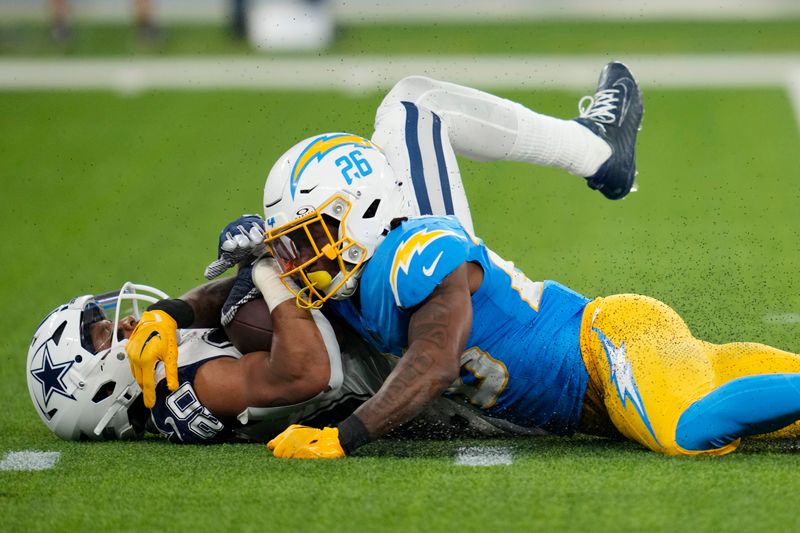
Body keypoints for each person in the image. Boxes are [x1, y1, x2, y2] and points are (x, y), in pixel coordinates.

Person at [250, 80, 800, 457]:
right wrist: (177, 312)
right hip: (614, 369)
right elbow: (250, 276)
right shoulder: (350, 281)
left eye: (311, 237)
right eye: (295, 244)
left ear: (364, 211)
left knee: (688, 428)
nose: (300, 259)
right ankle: (596, 148)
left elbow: (435, 362)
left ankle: (595, 147)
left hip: (609, 345)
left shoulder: (417, 254)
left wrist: (346, 436)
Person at [26, 230, 519, 444]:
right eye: (104, 333)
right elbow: (308, 372)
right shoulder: (193, 388)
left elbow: (214, 301)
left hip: (384, 346)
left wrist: (172, 311)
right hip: (400, 371)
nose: (127, 325)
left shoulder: (163, 368)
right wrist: (268, 266)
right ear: (96, 387)